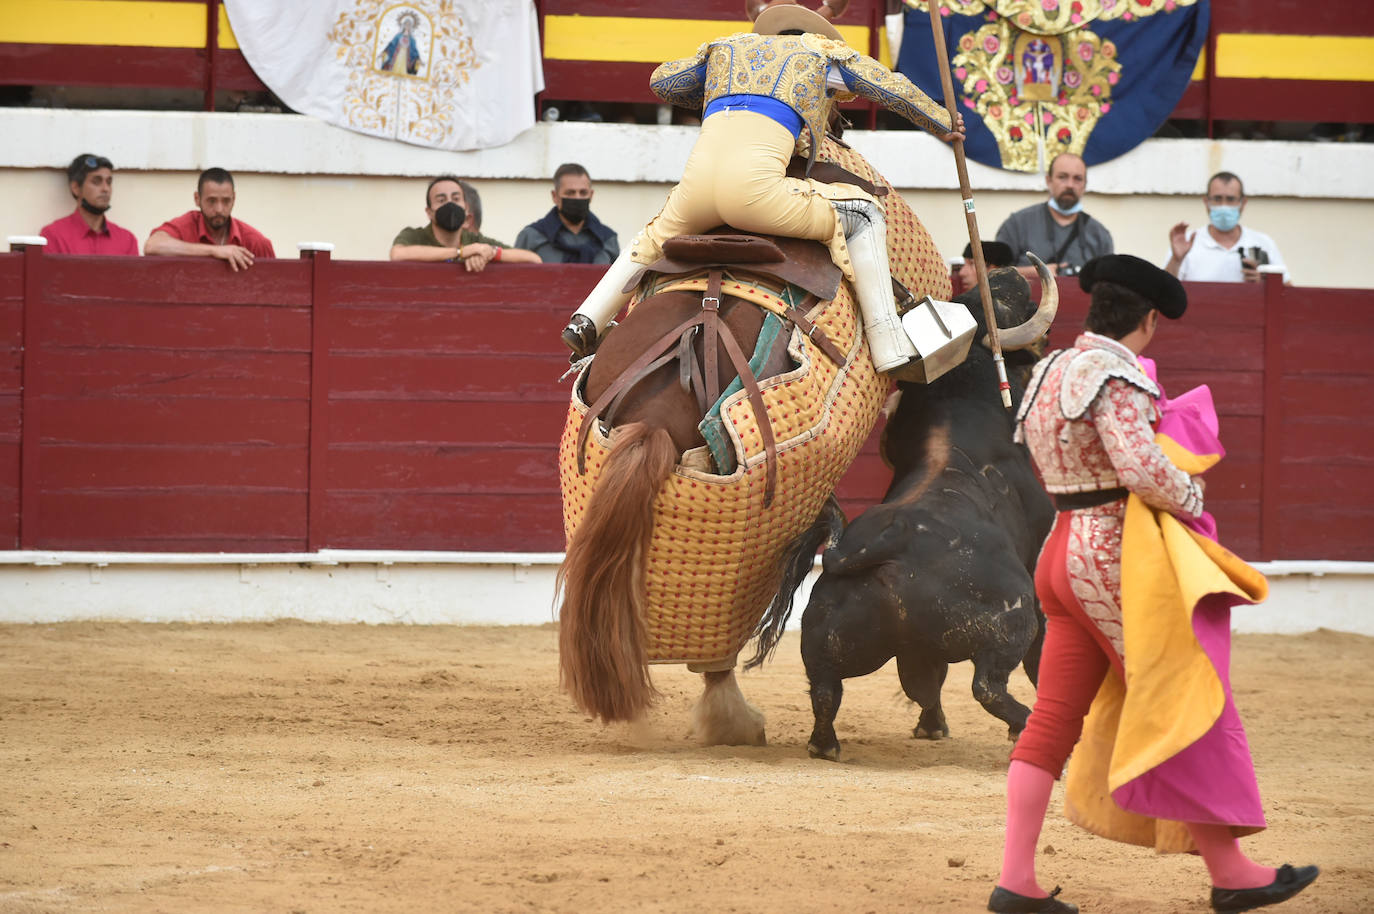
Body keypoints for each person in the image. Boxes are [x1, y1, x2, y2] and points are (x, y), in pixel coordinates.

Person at [989, 254, 1319, 914]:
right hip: (1110, 560)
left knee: (1053, 720)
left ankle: (1016, 880)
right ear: (1148, 321)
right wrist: (1193, 496)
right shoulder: (1114, 374)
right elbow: (1141, 469)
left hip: (1059, 555)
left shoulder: (1052, 367)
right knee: (1176, 697)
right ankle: (1230, 872)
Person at [560, 0, 964, 378]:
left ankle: (587, 320)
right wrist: (944, 123)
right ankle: (889, 345)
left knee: (651, 237)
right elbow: (892, 90)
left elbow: (663, 82)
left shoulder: (726, 49)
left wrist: (715, 87)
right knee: (864, 214)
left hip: (694, 192)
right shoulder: (821, 55)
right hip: (756, 193)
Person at [995, 153, 1113, 280]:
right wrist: (1034, 272)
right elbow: (994, 274)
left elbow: (1108, 284)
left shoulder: (1100, 235)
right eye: (1062, 177)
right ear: (1048, 181)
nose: (1070, 185)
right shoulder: (1016, 224)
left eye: (1077, 179)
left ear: (1085, 185)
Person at [390, 175, 540, 272]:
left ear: (466, 207)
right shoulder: (414, 235)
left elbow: (534, 259)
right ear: (429, 212)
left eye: (456, 199)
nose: (450, 204)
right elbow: (397, 254)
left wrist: (491, 253)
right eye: (441, 200)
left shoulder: (475, 241)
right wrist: (460, 253)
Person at [1164, 172, 1290, 284]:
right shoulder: (1187, 242)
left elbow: (1288, 292)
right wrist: (1176, 260)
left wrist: (1263, 284)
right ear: (1206, 202)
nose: (1224, 205)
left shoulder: (1263, 243)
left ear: (1243, 203)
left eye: (1231, 199)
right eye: (1217, 199)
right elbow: (1163, 293)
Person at [144, 167, 275, 271]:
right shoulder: (187, 224)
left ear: (234, 199)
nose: (219, 209)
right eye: (211, 201)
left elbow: (274, 285)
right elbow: (152, 246)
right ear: (197, 199)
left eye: (226, 201)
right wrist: (214, 251)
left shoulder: (255, 242)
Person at [515, 163, 620, 264]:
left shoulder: (608, 239)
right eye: (570, 193)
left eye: (583, 193)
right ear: (555, 196)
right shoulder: (531, 236)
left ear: (591, 195)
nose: (577, 198)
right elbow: (515, 277)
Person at [39, 153, 139, 255]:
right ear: (76, 188)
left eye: (109, 182)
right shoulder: (54, 236)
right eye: (96, 181)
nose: (106, 189)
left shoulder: (127, 240)